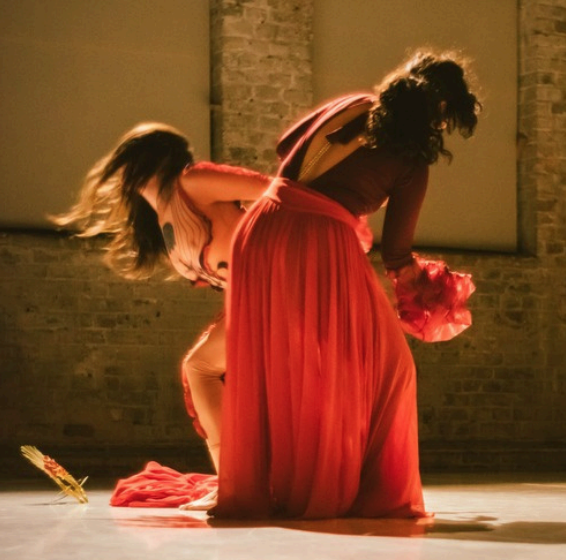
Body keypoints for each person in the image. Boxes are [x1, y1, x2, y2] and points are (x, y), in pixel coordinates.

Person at [215, 49, 481, 519]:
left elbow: (286, 146)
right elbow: (396, 256)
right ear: (440, 110)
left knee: (278, 362)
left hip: (260, 228)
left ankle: (279, 483)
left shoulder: (353, 106)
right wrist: (433, 293)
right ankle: (339, 487)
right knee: (389, 368)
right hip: (316, 240)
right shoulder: (411, 160)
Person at [51, 123, 272, 475]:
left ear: (148, 160)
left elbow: (277, 190)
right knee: (204, 370)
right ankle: (238, 478)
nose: (122, 173)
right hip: (254, 301)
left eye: (128, 161)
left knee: (201, 368)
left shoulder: (192, 182)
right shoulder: (164, 214)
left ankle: (235, 479)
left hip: (278, 289)